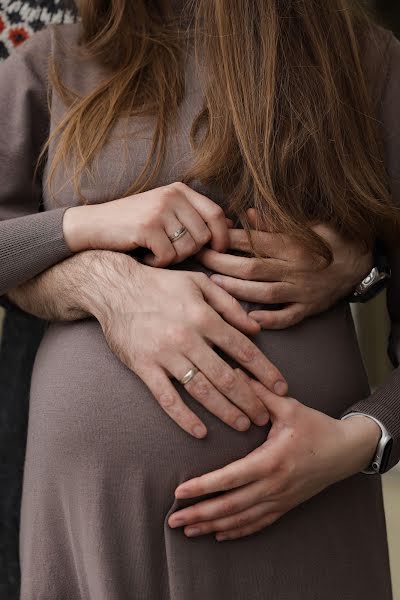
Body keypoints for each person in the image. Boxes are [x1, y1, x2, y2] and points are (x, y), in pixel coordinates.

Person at [0, 1, 399, 598]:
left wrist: (366, 439)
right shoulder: (55, 59)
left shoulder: (362, 58)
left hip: (306, 511)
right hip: (91, 516)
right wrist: (83, 227)